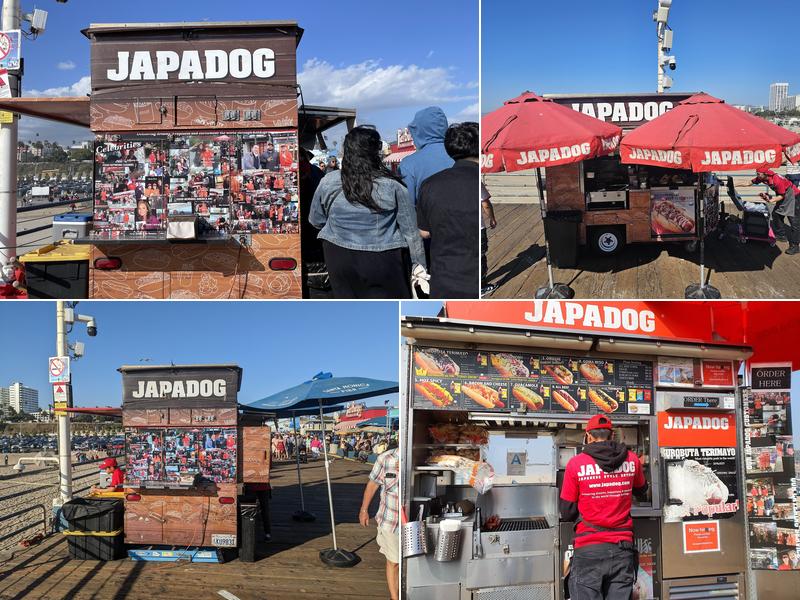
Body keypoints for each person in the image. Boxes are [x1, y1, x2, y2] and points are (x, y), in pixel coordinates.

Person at [310, 126, 426, 298]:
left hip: (338, 256)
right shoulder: (393, 185)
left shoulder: (328, 181)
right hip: (383, 258)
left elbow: (316, 220)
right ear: (375, 151)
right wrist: (419, 265)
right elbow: (410, 231)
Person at [560, 415, 648, 600]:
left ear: (588, 436)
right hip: (622, 550)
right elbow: (642, 490)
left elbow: (567, 512)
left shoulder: (576, 464)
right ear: (612, 434)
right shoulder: (632, 460)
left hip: (588, 550)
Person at [416, 122, 480, 298]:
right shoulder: (479, 180)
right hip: (475, 278)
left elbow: (424, 232)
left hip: (444, 278)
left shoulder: (429, 184)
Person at [360, 444, 399, 600]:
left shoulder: (421, 457)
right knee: (394, 561)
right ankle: (394, 597)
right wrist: (364, 510)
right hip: (391, 519)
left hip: (417, 518)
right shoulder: (385, 458)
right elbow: (373, 484)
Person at [398, 106, 454, 205]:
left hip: (427, 219)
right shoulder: (460, 155)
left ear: (418, 131)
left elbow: (408, 208)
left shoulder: (409, 164)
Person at [749, 168, 800, 255]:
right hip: (784, 195)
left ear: (765, 174)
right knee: (776, 214)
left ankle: (795, 246)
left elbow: (781, 196)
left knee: (794, 222)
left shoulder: (777, 180)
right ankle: (781, 235)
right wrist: (733, 184)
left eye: (758, 174)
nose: (757, 175)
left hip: (793, 196)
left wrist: (770, 200)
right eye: (756, 173)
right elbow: (748, 182)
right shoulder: (762, 177)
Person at [481, 182, 498, 296]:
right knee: (480, 256)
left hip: (458, 228)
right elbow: (485, 204)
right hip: (476, 228)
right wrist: (492, 218)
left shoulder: (450, 181)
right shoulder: (476, 181)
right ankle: (481, 287)